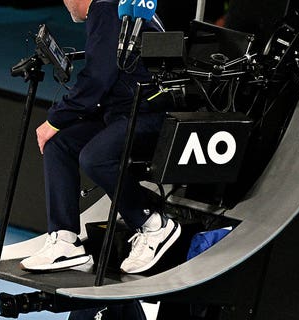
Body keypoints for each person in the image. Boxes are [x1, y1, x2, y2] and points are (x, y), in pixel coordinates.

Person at [19, 0, 181, 274]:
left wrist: (55, 119)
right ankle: (65, 240)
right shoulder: (115, 6)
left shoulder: (105, 9)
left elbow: (97, 78)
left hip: (152, 115)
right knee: (60, 144)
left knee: (95, 157)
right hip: (120, 113)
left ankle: (153, 225)